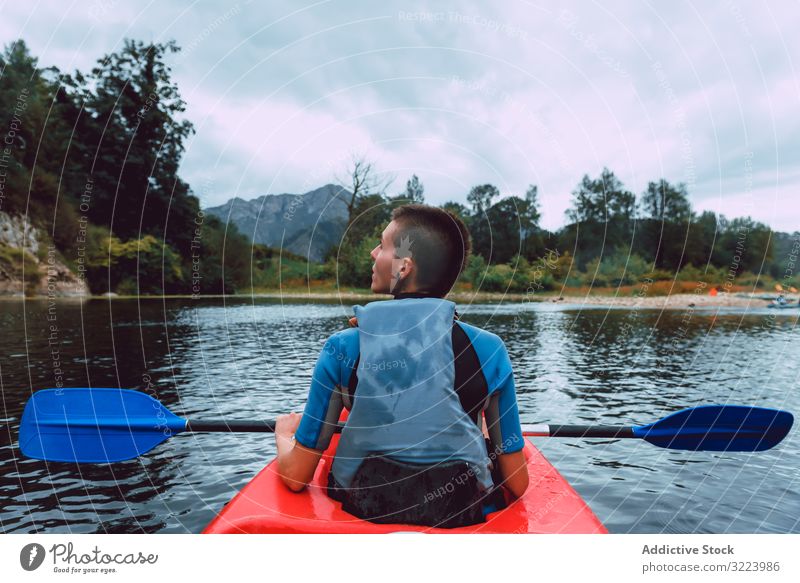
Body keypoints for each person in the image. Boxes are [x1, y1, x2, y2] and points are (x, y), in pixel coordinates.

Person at [273, 204, 528, 527]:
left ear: (403, 267)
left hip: (361, 507)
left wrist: (284, 435)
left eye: (382, 245)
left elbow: (296, 477)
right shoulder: (490, 351)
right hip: (460, 512)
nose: (372, 252)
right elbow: (517, 484)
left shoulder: (343, 346)